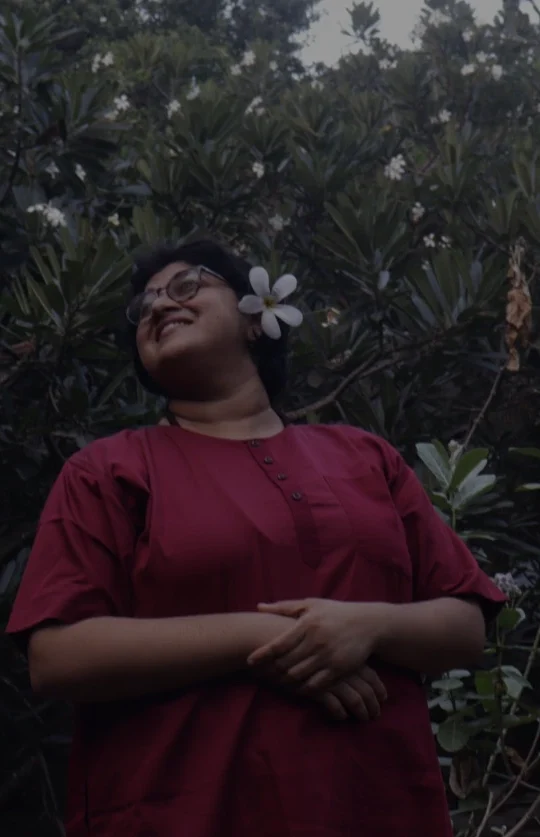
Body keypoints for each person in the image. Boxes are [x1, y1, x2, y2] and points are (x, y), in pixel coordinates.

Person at [6, 238, 507, 837]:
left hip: (379, 809)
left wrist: (366, 627)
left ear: (253, 319)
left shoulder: (362, 456)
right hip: (178, 813)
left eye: (187, 285)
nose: (159, 305)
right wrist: (271, 638)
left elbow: (465, 626)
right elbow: (57, 657)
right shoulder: (108, 471)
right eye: (144, 307)